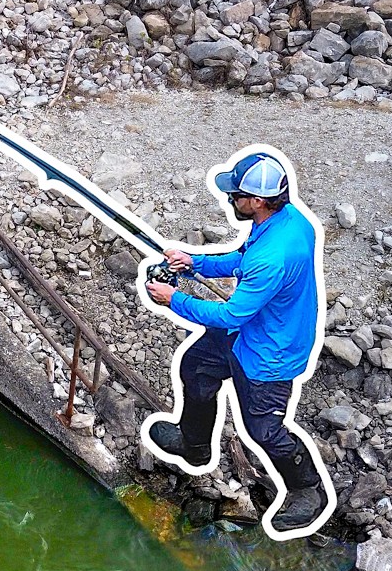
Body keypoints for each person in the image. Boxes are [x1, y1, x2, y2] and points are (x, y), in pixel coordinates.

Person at [141, 149, 330, 534]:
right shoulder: (287, 221)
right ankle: (194, 445)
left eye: (236, 195)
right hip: (253, 331)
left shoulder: (274, 256)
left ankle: (308, 490)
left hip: (267, 353)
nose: (231, 200)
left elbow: (230, 315)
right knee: (195, 366)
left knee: (263, 429)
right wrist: (194, 263)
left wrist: (173, 298)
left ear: (257, 201)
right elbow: (243, 258)